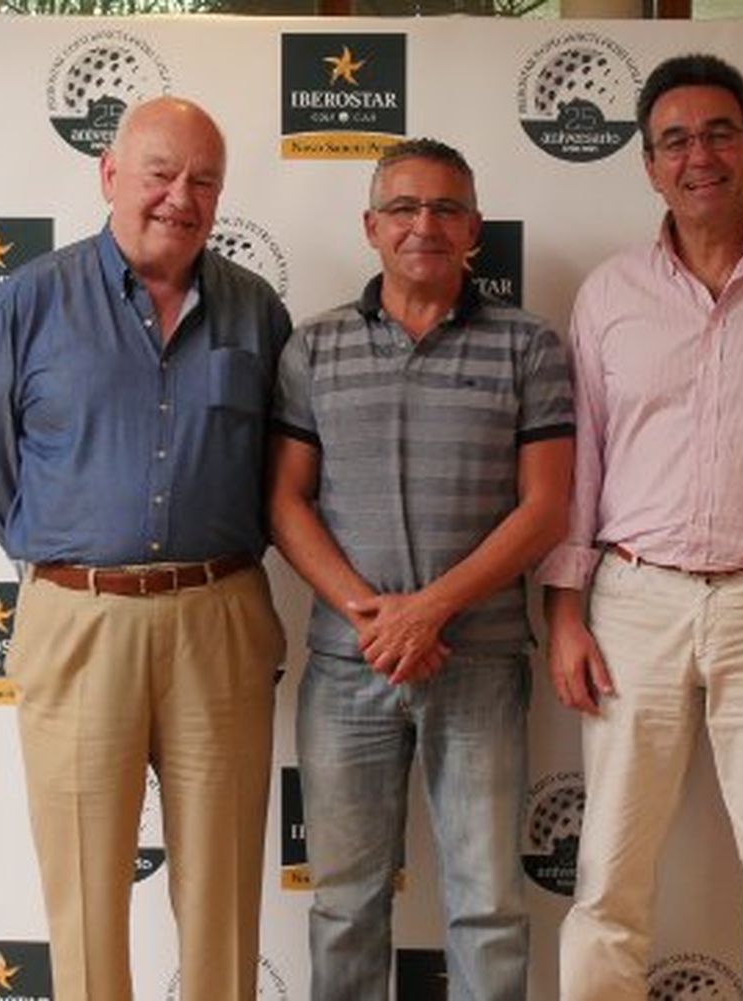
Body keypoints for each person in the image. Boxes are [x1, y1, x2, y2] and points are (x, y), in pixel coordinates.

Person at [538, 53, 743, 1001]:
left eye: (720, 134)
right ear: (650, 166)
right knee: (608, 872)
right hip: (633, 600)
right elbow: (581, 463)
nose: (701, 157)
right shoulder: (608, 295)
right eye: (676, 141)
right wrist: (564, 611)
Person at [0, 97, 290, 1001]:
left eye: (204, 181)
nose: (181, 197)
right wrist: (76, 562)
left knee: (224, 891)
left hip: (219, 619)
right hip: (79, 619)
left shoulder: (257, 311)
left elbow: (279, 476)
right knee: (84, 894)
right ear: (110, 175)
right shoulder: (27, 300)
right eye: (161, 173)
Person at [266, 138, 574, 1001]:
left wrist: (428, 611)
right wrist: (375, 617)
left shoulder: (529, 346)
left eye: (445, 208)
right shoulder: (314, 347)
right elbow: (285, 502)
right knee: (345, 904)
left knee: (488, 905)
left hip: (479, 663)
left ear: (474, 228)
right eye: (402, 208)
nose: (423, 225)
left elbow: (546, 507)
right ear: (371, 227)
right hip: (347, 662)